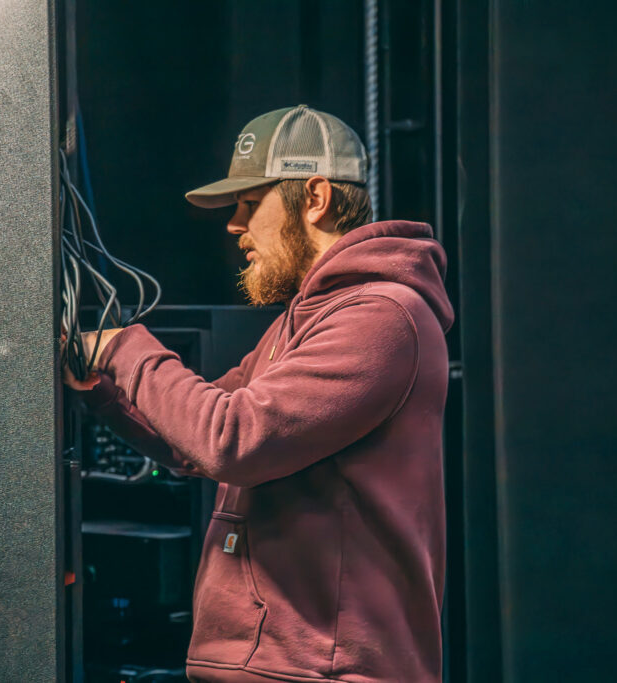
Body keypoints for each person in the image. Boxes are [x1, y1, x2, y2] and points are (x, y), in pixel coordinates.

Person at [65, 105, 454, 683]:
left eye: (250, 204)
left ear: (315, 197)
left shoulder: (381, 317)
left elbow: (233, 440)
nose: (234, 225)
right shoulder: (302, 321)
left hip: (323, 673)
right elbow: (190, 441)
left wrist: (124, 348)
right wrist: (101, 389)